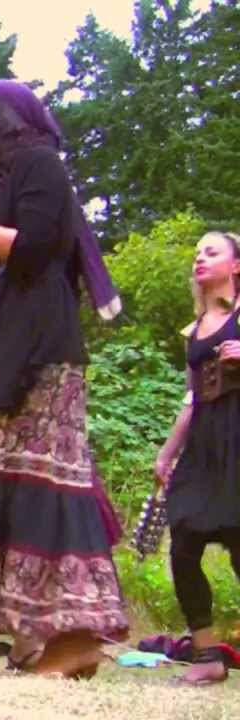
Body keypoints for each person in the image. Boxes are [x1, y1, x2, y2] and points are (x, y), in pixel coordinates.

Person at [0, 79, 127, 677]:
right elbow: (15, 267)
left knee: (49, 479)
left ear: (5, 117)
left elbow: (34, 251)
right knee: (18, 477)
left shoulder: (41, 165)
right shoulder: (16, 176)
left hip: (41, 350)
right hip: (14, 342)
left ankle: (76, 637)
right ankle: (40, 635)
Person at [154, 230, 240, 686]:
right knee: (183, 543)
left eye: (212, 251)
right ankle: (207, 654)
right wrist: (166, 454)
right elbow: (192, 398)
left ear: (236, 265)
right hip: (204, 445)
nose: (200, 258)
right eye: (197, 253)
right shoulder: (196, 327)